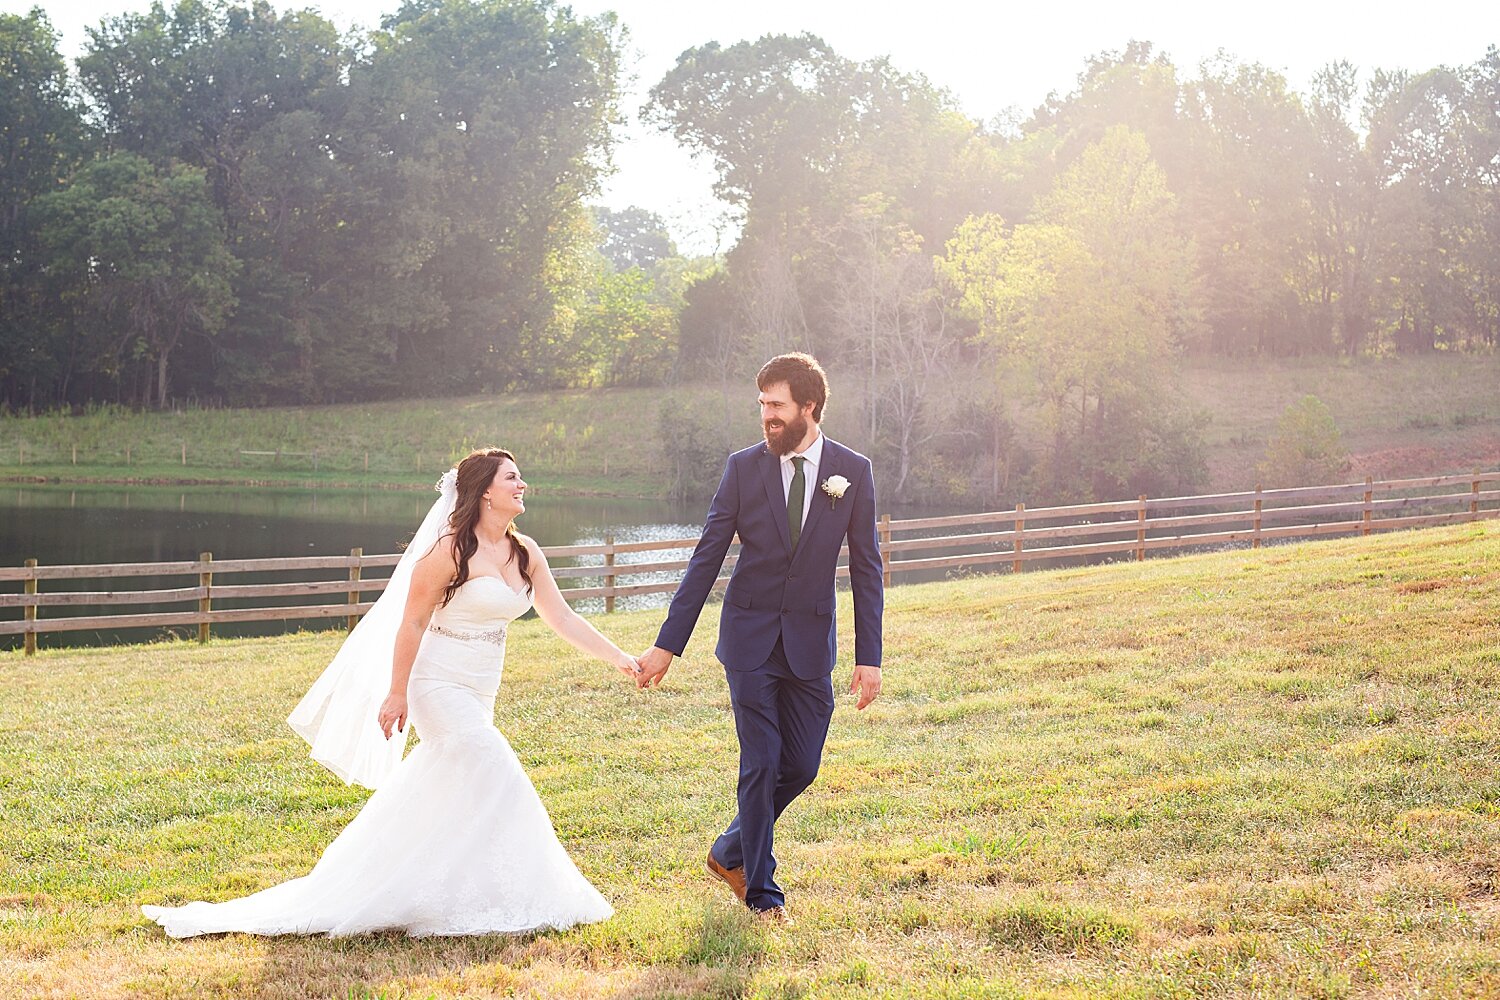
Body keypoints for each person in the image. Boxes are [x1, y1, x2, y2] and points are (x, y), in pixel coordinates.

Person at [142, 448, 640, 938]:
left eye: (519, 477)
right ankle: (540, 891)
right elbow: (413, 621)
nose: (521, 484)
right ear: (485, 491)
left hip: (481, 685)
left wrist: (619, 657)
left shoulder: (525, 550)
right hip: (436, 682)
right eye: (512, 478)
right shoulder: (447, 551)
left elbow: (562, 617)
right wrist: (397, 692)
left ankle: (419, 881)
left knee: (450, 784)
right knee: (495, 765)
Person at [635, 353, 884, 924]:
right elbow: (706, 560)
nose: (767, 417)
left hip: (809, 644)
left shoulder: (853, 471)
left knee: (801, 765)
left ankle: (728, 850)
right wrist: (666, 645)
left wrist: (869, 656)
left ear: (808, 407)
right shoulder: (743, 468)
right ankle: (762, 888)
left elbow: (867, 568)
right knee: (762, 759)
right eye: (762, 406)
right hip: (748, 640)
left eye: (777, 407)